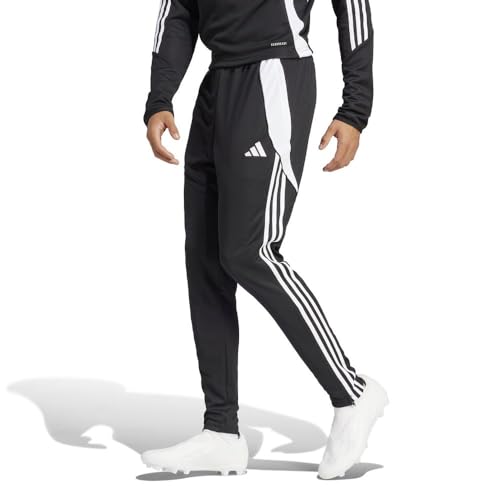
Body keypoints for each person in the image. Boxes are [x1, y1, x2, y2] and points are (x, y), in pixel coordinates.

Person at [141, 0, 388, 480]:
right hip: (217, 84)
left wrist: (356, 107)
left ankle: (352, 392)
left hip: (274, 76)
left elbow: (352, 5)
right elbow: (178, 11)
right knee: (205, 260)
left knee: (250, 251)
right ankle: (221, 432)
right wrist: (161, 96)